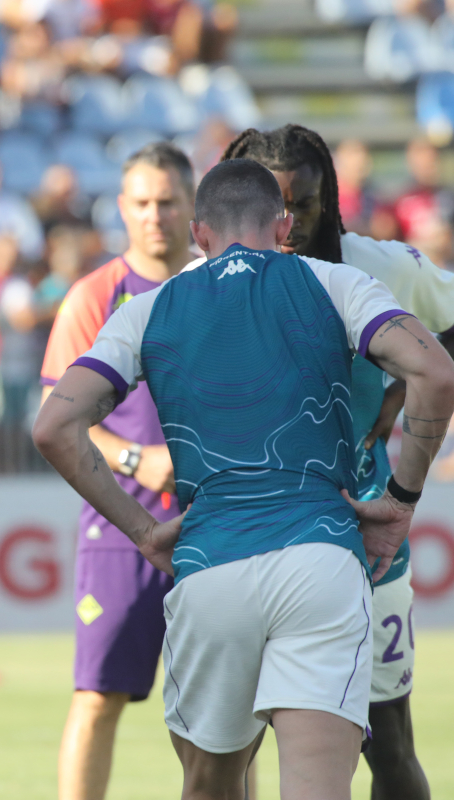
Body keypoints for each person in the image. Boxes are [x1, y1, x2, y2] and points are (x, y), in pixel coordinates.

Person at [32, 158, 454, 800]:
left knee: (210, 785)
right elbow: (437, 374)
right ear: (283, 224)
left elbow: (53, 427)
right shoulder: (337, 284)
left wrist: (145, 531)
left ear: (198, 234)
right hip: (322, 558)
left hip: (211, 565)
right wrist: (398, 503)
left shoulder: (149, 308)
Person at [221, 124, 454, 800]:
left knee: (390, 745)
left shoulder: (381, 268)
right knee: (225, 755)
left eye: (308, 205)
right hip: (245, 543)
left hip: (365, 540)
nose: (289, 225)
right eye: (273, 207)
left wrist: (413, 386)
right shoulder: (204, 280)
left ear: (332, 200)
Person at [38, 142, 193, 800]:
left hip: (214, 522)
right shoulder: (96, 295)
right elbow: (54, 415)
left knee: (220, 710)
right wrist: (138, 459)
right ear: (123, 209)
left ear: (194, 208)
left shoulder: (220, 286)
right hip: (121, 523)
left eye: (168, 201)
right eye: (141, 202)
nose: (154, 215)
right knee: (98, 695)